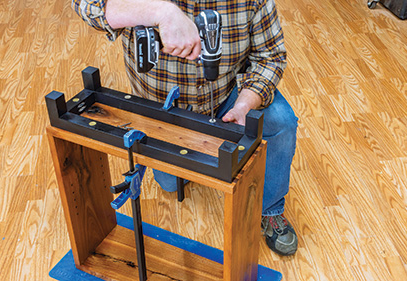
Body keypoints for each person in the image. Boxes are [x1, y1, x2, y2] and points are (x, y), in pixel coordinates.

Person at [72, 0, 299, 256]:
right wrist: (160, 11)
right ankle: (186, 163)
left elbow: (271, 57)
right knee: (170, 183)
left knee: (281, 120)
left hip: (226, 98)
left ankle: (270, 210)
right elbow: (86, 5)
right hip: (162, 114)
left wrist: (244, 105)